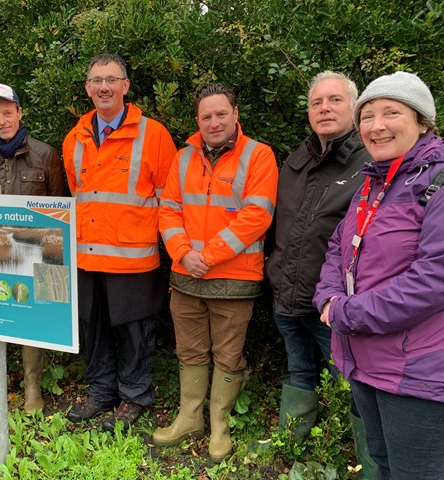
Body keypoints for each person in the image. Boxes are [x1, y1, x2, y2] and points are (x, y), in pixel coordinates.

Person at [314, 71, 444, 479]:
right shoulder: (372, 184)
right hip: (364, 361)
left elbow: (433, 279)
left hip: (417, 371)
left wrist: (345, 314)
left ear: (423, 121)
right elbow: (338, 248)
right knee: (383, 465)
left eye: (392, 112)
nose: (377, 126)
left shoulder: (437, 183)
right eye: (367, 116)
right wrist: (328, 297)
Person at [153, 83, 278, 462]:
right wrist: (182, 252)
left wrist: (206, 254)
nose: (214, 121)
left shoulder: (259, 156)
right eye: (206, 116)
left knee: (228, 354)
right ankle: (190, 417)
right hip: (186, 275)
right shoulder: (183, 157)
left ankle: (218, 422)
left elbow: (256, 216)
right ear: (197, 120)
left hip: (235, 279)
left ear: (236, 114)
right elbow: (168, 209)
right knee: (189, 350)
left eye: (221, 113)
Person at [62, 53, 176, 431]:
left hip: (133, 258)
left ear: (126, 87)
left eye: (112, 79)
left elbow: (169, 199)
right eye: (97, 80)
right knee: (92, 329)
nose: (104, 87)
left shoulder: (153, 134)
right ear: (88, 89)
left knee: (134, 334)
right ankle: (100, 392)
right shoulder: (73, 138)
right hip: (86, 256)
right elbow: (79, 195)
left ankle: (133, 396)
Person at [264, 72, 373, 444]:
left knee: (352, 385)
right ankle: (292, 444)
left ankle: (359, 455)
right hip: (287, 296)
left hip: (335, 306)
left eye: (335, 100)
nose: (324, 108)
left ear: (355, 107)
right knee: (300, 370)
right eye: (316, 102)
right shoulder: (297, 161)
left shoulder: (370, 163)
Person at [0, 82, 67, 415]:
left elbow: (59, 208)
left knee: (32, 319)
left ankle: (32, 389)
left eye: (7, 112)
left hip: (35, 250)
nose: (1, 120)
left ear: (20, 113)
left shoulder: (45, 154)